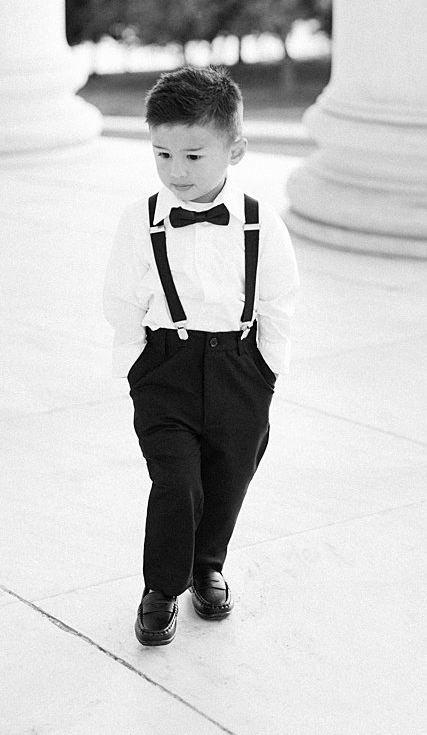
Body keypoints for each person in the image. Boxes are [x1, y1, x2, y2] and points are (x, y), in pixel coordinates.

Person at [103, 65, 299, 646]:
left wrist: (266, 370)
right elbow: (120, 297)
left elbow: (278, 298)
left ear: (234, 149)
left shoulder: (262, 221)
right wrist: (139, 364)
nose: (175, 171)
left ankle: (207, 565)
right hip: (167, 367)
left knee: (229, 474)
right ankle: (161, 587)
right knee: (176, 480)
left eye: (193, 157)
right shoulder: (140, 219)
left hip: (241, 367)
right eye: (162, 155)